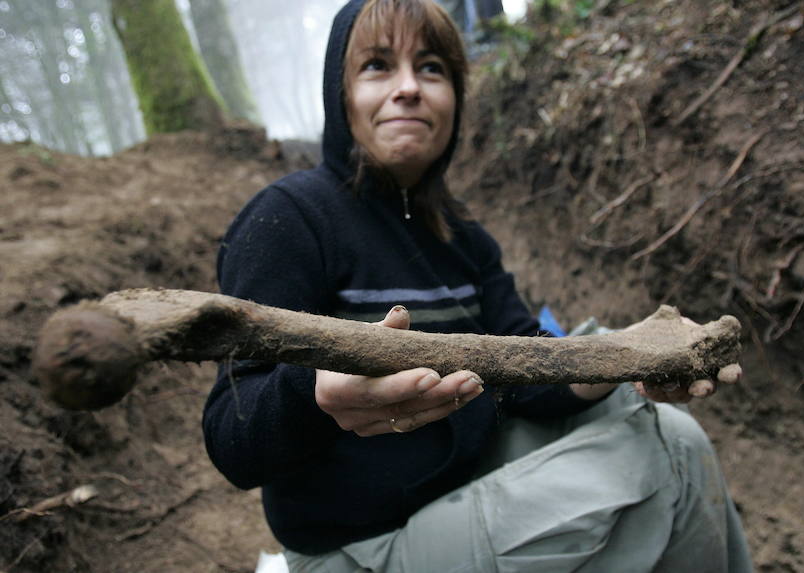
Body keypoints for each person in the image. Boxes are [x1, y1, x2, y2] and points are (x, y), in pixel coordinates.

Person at [203, 1, 753, 571]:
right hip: (358, 544)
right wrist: (309, 392)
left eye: (433, 68)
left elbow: (528, 376)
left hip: (466, 477)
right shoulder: (288, 220)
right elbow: (231, 442)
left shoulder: (463, 236)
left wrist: (635, 351)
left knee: (667, 428)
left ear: (457, 101)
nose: (410, 87)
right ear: (338, 94)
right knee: (674, 458)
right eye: (377, 65)